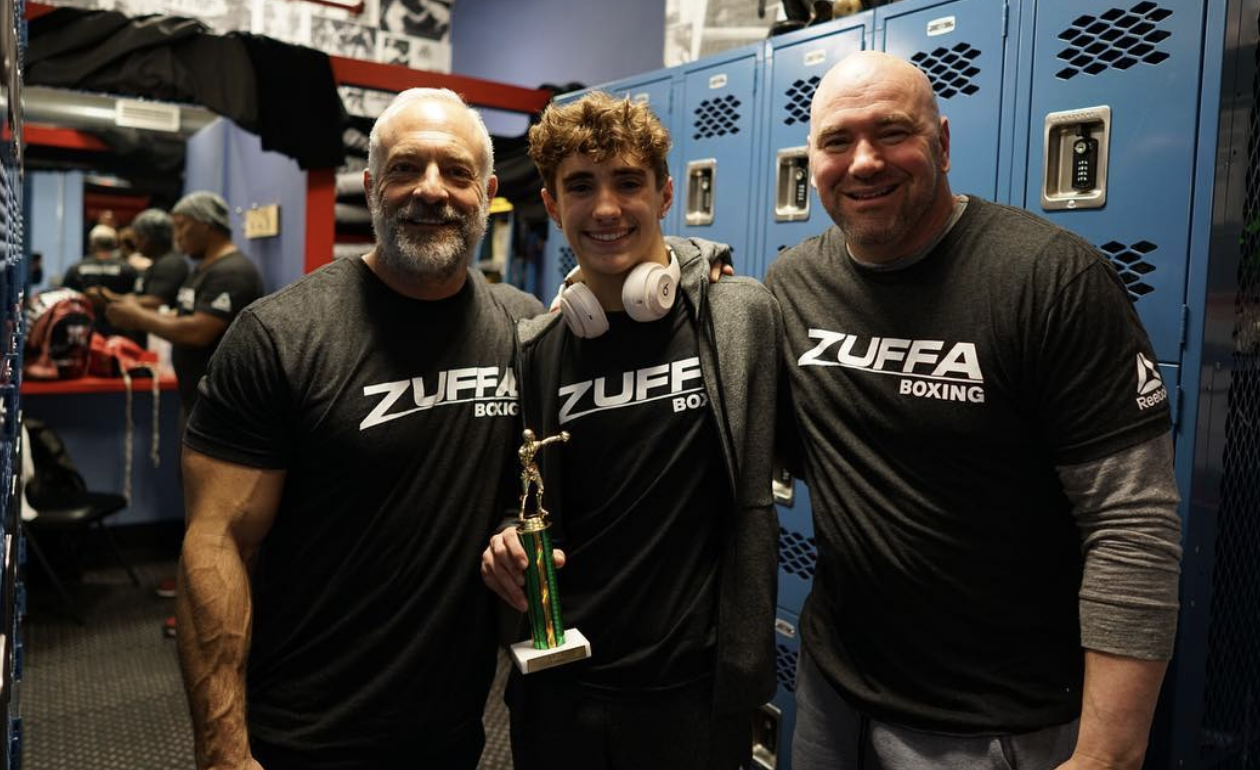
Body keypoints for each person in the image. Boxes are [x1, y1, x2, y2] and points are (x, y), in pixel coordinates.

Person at [764, 51, 1183, 769]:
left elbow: (1132, 520)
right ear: (812, 160)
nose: (863, 162)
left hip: (996, 725)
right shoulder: (795, 283)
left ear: (943, 143)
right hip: (833, 696)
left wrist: (1108, 754)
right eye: (837, 140)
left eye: (891, 131)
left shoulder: (1047, 278)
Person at [172, 88, 544, 770]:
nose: (430, 189)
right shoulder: (281, 335)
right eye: (405, 168)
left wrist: (694, 270)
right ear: (372, 189)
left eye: (456, 172)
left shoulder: (522, 326)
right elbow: (217, 541)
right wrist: (223, 750)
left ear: (487, 194)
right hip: (303, 734)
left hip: (452, 728)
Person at [480, 91, 782, 770]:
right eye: (581, 186)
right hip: (561, 686)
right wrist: (507, 538)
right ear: (552, 204)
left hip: (694, 694)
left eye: (628, 182)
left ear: (666, 194)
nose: (607, 208)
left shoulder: (737, 319)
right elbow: (518, 495)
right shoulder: (538, 348)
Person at [105, 191, 263, 415]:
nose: (177, 237)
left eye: (181, 226)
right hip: (195, 399)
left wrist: (138, 317)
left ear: (206, 224)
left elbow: (198, 331)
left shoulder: (233, 272)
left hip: (222, 406)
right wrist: (134, 308)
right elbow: (184, 314)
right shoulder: (203, 268)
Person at [63, 224, 139, 337]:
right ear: (114, 244)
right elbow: (137, 300)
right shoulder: (128, 269)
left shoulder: (76, 269)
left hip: (84, 333)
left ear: (92, 244)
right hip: (119, 333)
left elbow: (66, 300)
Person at [128, 208, 191, 310]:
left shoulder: (170, 264)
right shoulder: (161, 261)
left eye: (141, 237)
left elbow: (157, 302)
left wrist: (115, 299)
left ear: (155, 238)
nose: (135, 243)